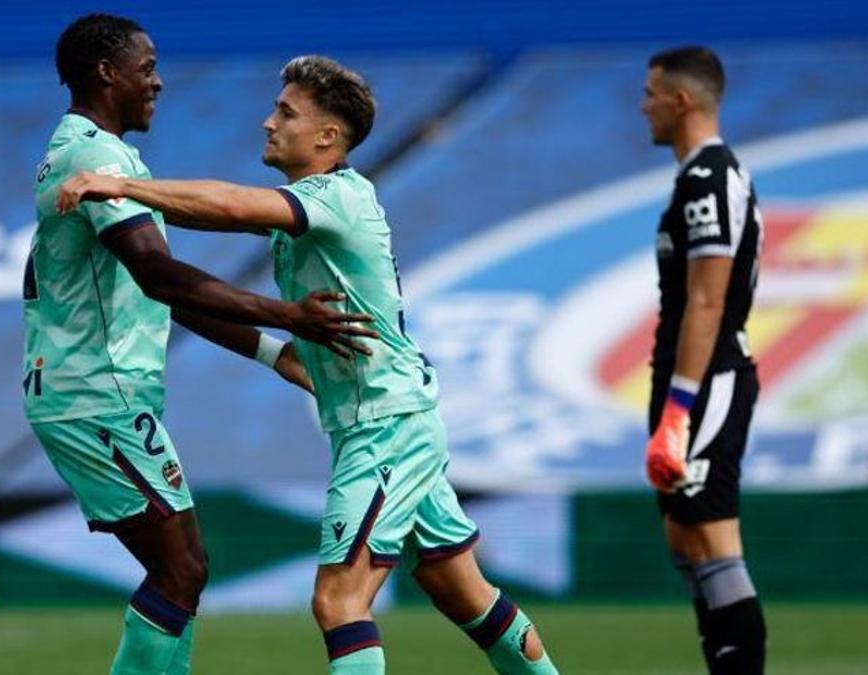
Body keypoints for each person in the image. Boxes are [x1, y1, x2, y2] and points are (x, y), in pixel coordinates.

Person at [58, 55, 559, 675]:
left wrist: (125, 185)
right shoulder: (314, 208)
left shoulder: (337, 197)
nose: (269, 123)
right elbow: (189, 283)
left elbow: (232, 206)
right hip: (392, 418)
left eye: (286, 113)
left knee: (338, 600)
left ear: (327, 136)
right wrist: (275, 352)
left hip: (384, 426)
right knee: (460, 589)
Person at [26, 17, 376, 674]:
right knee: (181, 567)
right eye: (146, 65)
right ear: (107, 72)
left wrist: (275, 352)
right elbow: (162, 275)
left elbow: (164, 291)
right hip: (95, 391)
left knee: (181, 569)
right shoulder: (94, 159)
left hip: (93, 390)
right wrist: (291, 315)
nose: (157, 80)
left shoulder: (95, 156)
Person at [640, 45, 767, 674]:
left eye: (651, 93)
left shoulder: (709, 178)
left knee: (712, 536)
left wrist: (679, 410)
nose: (644, 107)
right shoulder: (698, 178)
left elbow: (709, 299)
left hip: (708, 377)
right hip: (686, 378)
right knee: (685, 538)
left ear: (681, 100)